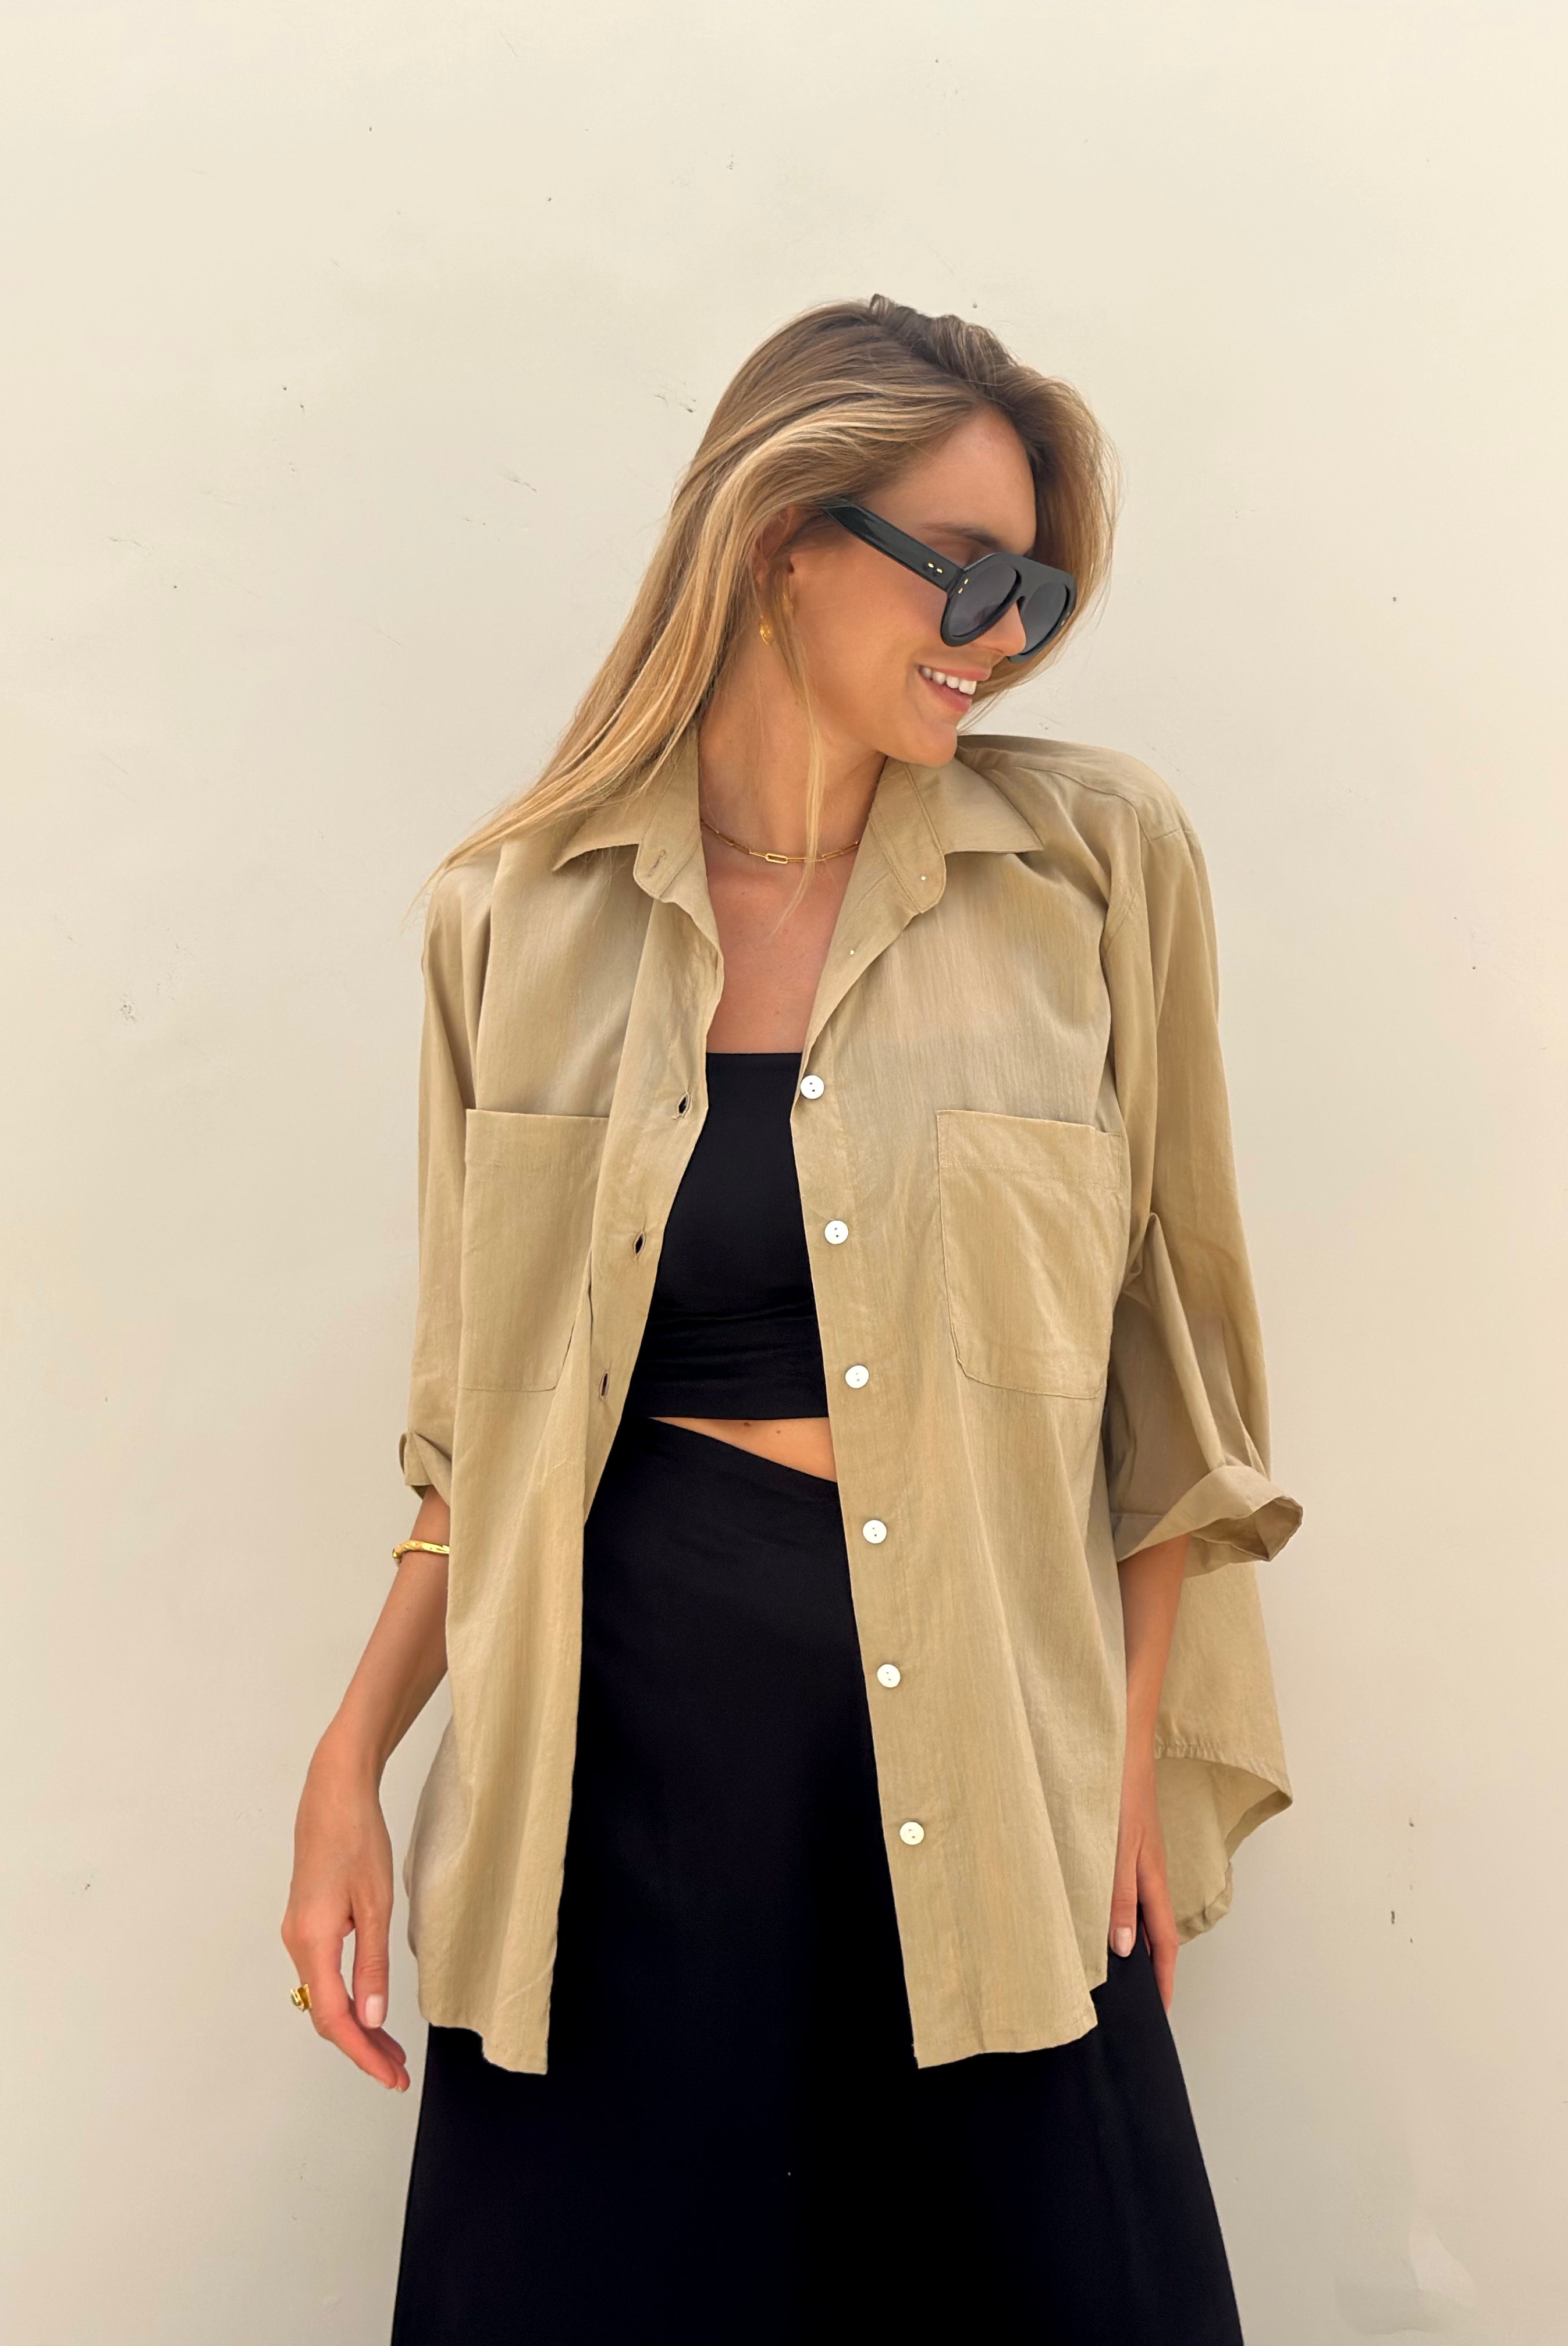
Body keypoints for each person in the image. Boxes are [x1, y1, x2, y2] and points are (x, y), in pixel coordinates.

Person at [282, 293, 1304, 2343]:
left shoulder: (1095, 869)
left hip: (989, 1762)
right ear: (778, 540)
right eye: (971, 571)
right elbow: (484, 1434)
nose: (1006, 634)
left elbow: (1171, 1380)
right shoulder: (517, 918)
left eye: (1042, 591)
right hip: (625, 1772)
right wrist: (347, 1765)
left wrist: (1115, 1769)